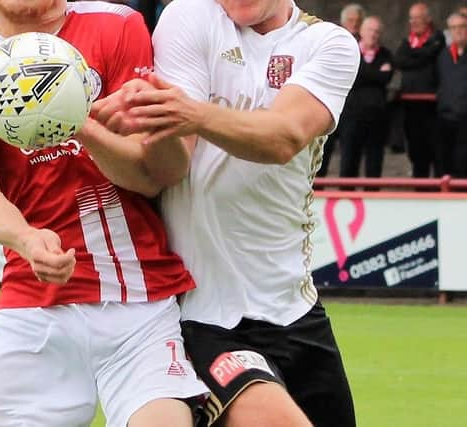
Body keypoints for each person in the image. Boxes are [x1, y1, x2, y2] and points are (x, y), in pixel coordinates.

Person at [0, 1, 207, 427]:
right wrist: (26, 239)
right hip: (35, 302)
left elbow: (152, 177)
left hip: (140, 303)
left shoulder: (116, 26)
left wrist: (76, 120)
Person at [93, 0, 359, 426]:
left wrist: (191, 113)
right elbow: (171, 160)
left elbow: (283, 137)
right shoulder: (189, 16)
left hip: (294, 309)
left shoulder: (328, 44)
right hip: (201, 315)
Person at [394, 2, 445, 178]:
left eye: (419, 18)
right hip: (411, 106)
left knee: (438, 153)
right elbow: (399, 61)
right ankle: (419, 191)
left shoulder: (439, 39)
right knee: (417, 154)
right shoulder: (407, 41)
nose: (414, 22)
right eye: (412, 18)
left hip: (433, 106)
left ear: (428, 19)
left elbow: (426, 56)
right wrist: (422, 56)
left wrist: (414, 57)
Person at [339, 16, 394, 178]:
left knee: (374, 164)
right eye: (370, 30)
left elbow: (386, 78)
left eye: (377, 31)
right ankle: (345, 198)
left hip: (377, 117)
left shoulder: (385, 54)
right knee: (348, 162)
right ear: (361, 31)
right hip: (352, 116)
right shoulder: (350, 52)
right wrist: (376, 73)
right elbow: (351, 76)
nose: (373, 34)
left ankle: (374, 199)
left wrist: (362, 72)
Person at [317, 2, 365, 177]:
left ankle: (348, 191)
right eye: (351, 20)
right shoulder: (333, 42)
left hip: (353, 108)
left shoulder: (366, 43)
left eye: (358, 20)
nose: (354, 24)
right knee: (323, 151)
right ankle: (317, 188)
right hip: (330, 105)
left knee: (350, 155)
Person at [435, 11, 467, 177]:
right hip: (446, 118)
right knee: (446, 167)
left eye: (462, 27)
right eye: (454, 28)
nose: (458, 31)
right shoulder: (443, 55)